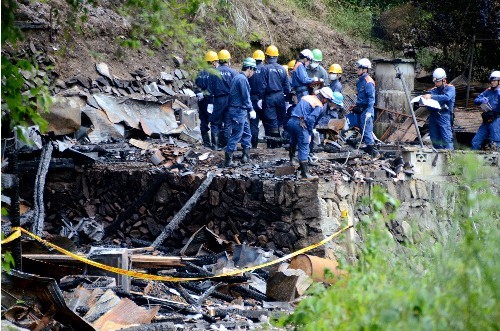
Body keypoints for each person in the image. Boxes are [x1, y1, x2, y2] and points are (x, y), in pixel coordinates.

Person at [286, 86, 334, 180]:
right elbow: (311, 119)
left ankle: (292, 159)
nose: (326, 102)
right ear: (324, 98)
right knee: (304, 146)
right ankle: (305, 174)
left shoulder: (306, 97)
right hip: (301, 124)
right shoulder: (319, 105)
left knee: (293, 141)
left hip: (291, 121)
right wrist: (310, 132)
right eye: (327, 100)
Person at [224, 57, 257, 167]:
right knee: (236, 135)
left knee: (247, 133)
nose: (253, 73)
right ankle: (228, 160)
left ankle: (245, 156)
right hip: (238, 110)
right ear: (249, 69)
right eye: (253, 70)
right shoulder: (242, 79)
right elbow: (245, 96)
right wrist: (251, 109)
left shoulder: (237, 77)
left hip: (240, 111)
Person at [208, 49, 238, 151]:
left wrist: (210, 103)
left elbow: (209, 88)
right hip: (230, 100)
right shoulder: (233, 72)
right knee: (228, 122)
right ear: (228, 60)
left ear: (218, 60)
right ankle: (225, 145)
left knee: (215, 122)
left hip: (217, 99)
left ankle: (215, 145)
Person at [261, 45, 290, 148]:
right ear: (276, 57)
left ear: (267, 57)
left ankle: (275, 144)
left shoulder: (265, 69)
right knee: (279, 121)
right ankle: (280, 142)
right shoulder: (282, 69)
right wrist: (287, 99)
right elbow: (287, 86)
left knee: (272, 120)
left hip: (270, 97)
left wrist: (261, 98)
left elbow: (263, 85)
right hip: (280, 96)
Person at [350, 58, 378, 157]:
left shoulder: (368, 82)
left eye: (359, 68)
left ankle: (373, 153)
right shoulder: (360, 81)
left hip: (366, 110)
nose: (357, 70)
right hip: (360, 109)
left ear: (365, 69)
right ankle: (368, 148)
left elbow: (371, 98)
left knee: (367, 130)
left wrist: (369, 111)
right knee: (361, 129)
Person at [422, 67, 456, 150]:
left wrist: (432, 97)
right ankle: (438, 158)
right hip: (433, 116)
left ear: (444, 80)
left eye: (438, 81)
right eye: (435, 81)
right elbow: (429, 98)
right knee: (435, 139)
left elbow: (446, 97)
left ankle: (449, 160)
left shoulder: (450, 88)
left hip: (444, 115)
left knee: (446, 139)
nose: (436, 83)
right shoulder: (433, 90)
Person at [195, 51, 219, 147]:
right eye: (216, 61)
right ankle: (215, 145)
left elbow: (196, 86)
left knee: (203, 122)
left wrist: (199, 94)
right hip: (211, 101)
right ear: (213, 62)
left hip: (201, 101)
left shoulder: (200, 72)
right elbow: (213, 88)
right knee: (214, 122)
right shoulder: (214, 73)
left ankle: (206, 144)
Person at [471, 70, 500, 150]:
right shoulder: (488, 91)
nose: (492, 82)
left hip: (497, 120)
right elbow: (476, 100)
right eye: (491, 80)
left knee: (496, 144)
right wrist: (482, 100)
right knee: (475, 142)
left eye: (494, 80)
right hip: (487, 120)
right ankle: (473, 161)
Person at [248, 50, 266, 148]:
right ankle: (271, 144)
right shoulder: (265, 69)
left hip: (252, 99)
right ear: (262, 60)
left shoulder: (250, 70)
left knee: (254, 124)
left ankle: (254, 145)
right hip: (263, 100)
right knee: (267, 122)